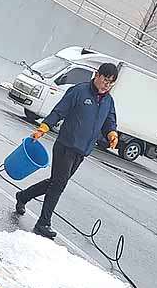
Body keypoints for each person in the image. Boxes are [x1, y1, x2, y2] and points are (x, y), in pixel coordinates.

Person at [14, 63, 119, 240]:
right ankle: (43, 223)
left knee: (55, 183)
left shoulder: (108, 101)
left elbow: (109, 121)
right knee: (59, 184)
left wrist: (112, 134)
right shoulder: (79, 91)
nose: (106, 85)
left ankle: (23, 196)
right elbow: (59, 111)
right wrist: (43, 127)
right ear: (97, 75)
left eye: (111, 83)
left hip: (82, 150)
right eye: (105, 80)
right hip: (66, 145)